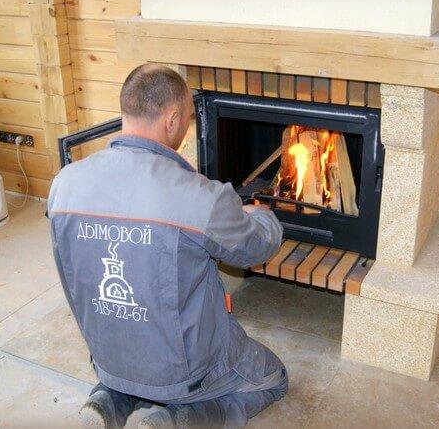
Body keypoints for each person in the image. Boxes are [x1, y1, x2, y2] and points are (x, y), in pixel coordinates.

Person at [47, 63, 288, 429]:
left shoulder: (65, 184)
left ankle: (109, 399)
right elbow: (255, 248)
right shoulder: (199, 198)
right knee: (273, 378)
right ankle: (176, 420)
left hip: (108, 359)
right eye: (189, 117)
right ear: (172, 119)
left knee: (137, 351)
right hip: (187, 372)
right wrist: (263, 216)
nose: (188, 125)